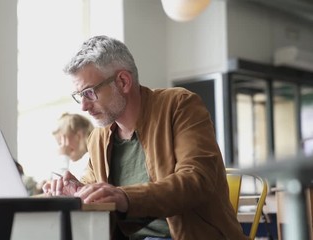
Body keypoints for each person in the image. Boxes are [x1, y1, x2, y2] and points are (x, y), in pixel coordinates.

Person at [42, 35, 247, 240]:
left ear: (123, 81)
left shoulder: (179, 105)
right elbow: (97, 187)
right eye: (79, 96)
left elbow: (196, 180)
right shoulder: (99, 137)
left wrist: (125, 197)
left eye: (89, 93)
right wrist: (76, 191)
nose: (83, 107)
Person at [52, 112, 94, 180]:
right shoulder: (77, 163)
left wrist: (63, 157)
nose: (61, 148)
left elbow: (62, 186)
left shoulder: (89, 159)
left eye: (61, 143)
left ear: (79, 136)